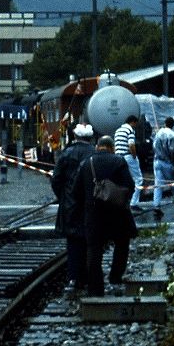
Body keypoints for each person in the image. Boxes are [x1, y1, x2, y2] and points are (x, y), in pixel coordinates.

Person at [73, 135, 138, 296]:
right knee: (122, 244)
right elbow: (130, 185)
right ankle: (115, 276)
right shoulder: (118, 161)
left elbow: (75, 191)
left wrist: (87, 204)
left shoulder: (87, 163)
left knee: (94, 250)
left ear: (97, 147)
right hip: (117, 214)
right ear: (112, 147)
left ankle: (96, 288)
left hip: (93, 215)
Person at [51, 123, 95, 294]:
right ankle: (89, 276)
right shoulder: (94, 153)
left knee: (73, 243)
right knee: (90, 241)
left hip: (70, 204)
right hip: (91, 204)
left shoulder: (66, 153)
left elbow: (56, 180)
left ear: (75, 137)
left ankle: (74, 277)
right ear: (90, 138)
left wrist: (62, 195)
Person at [114, 115, 145, 210]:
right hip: (128, 156)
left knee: (122, 180)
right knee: (138, 179)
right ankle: (134, 203)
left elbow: (115, 145)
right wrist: (134, 156)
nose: (135, 125)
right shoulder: (130, 130)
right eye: (136, 123)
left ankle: (122, 202)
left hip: (118, 157)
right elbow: (131, 144)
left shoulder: (118, 130)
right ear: (133, 122)